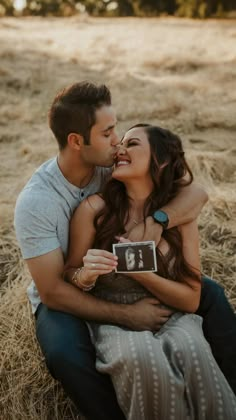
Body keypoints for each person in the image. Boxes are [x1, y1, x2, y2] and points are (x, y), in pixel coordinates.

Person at [14, 82, 236, 419]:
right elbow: (54, 290)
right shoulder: (38, 201)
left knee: (212, 296)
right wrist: (127, 315)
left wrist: (158, 221)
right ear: (77, 141)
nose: (117, 141)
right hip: (66, 292)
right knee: (65, 354)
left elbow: (194, 193)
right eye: (108, 133)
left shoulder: (114, 165)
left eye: (117, 130)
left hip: (136, 277)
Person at [65, 123, 236, 419]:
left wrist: (143, 275)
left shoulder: (179, 216)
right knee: (142, 359)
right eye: (121, 143)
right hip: (113, 317)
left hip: (172, 313)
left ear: (162, 160)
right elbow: (70, 272)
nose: (120, 149)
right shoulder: (94, 208)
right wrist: (86, 275)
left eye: (132, 144)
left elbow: (191, 299)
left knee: (192, 350)